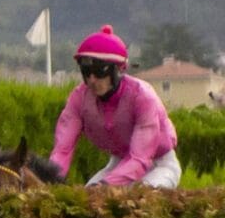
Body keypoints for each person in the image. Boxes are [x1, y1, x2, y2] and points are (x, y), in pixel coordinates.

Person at [50, 25, 181, 188]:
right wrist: (49, 181)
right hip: (119, 162)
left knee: (140, 196)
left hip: (159, 164)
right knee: (87, 196)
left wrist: (105, 186)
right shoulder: (78, 98)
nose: (92, 80)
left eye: (99, 71)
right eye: (86, 71)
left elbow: (140, 159)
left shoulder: (143, 96)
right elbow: (62, 150)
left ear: (118, 70)